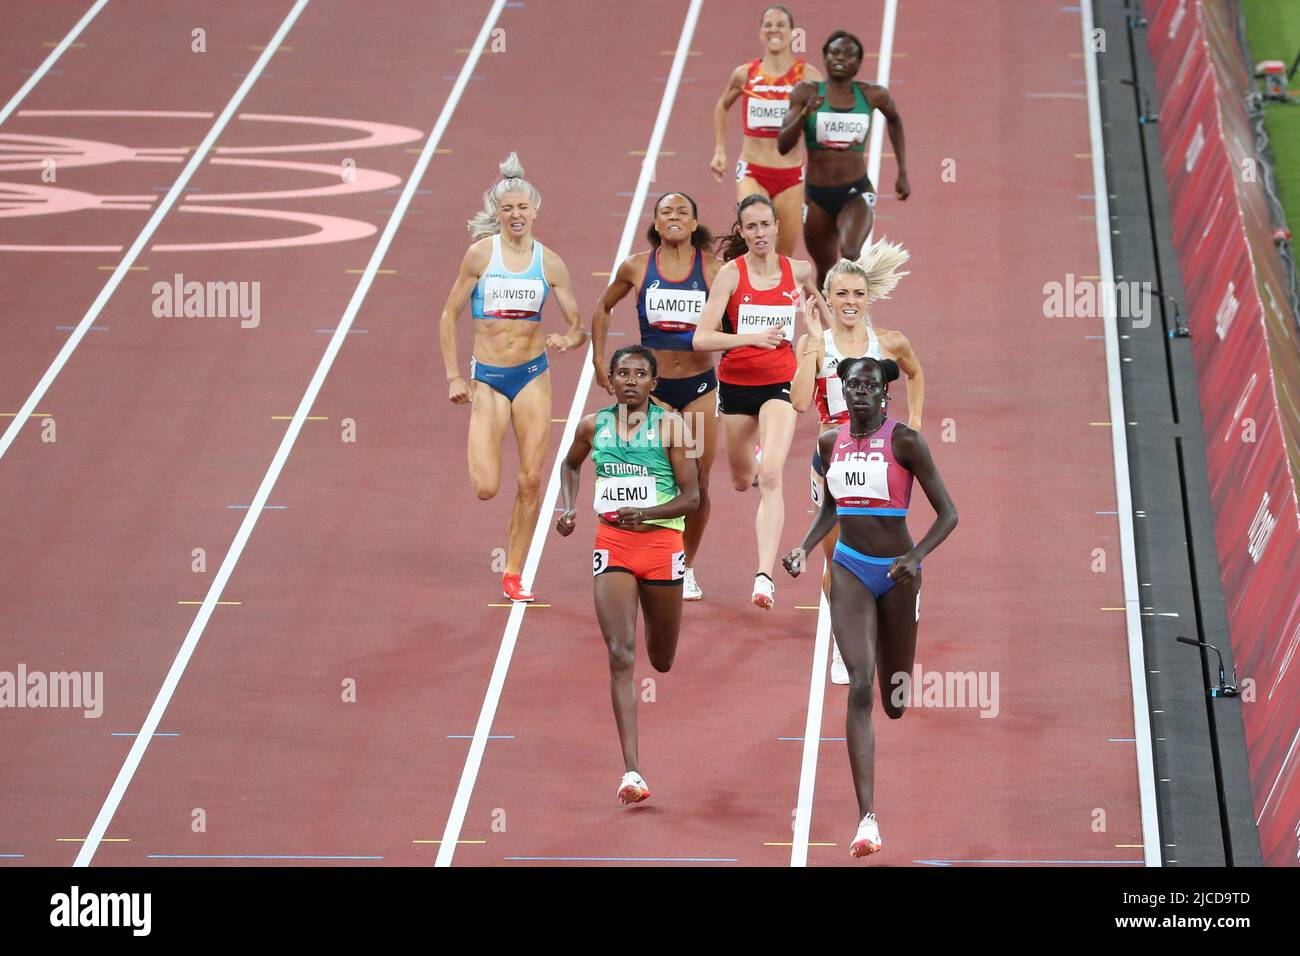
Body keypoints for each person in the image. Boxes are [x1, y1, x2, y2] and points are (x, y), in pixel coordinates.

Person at [782, 357, 956, 857]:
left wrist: (915, 556)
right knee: (858, 683)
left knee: (894, 703)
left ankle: (894, 687)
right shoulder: (827, 443)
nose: (861, 392)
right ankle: (867, 819)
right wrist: (805, 546)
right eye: (853, 384)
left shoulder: (906, 442)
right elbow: (830, 507)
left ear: (884, 393)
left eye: (871, 385)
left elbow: (949, 513)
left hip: (899, 575)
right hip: (850, 569)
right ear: (842, 390)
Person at [557, 345, 701, 805]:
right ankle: (631, 771)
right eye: (623, 373)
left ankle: (634, 763)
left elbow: (692, 497)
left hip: (661, 546)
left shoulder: (674, 427)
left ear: (654, 384)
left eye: (641, 374)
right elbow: (569, 465)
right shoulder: (591, 426)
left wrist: (649, 513)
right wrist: (569, 507)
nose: (631, 380)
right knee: (620, 654)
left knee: (660, 660)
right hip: (613, 544)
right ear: (611, 381)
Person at [439, 153, 586, 602]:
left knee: (529, 480)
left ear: (535, 211)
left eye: (523, 207)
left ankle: (515, 571)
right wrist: (453, 377)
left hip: (532, 377)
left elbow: (578, 325)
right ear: (498, 214)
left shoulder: (550, 263)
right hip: (487, 379)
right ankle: (482, 428)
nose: (516, 215)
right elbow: (449, 315)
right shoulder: (481, 256)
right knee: (486, 487)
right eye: (508, 209)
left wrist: (568, 339)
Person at [790, 240, 923, 683]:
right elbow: (796, 402)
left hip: (883, 459)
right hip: (833, 457)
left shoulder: (888, 342)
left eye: (857, 294)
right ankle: (842, 640)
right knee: (837, 558)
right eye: (841, 294)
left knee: (886, 538)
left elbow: (915, 372)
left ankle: (903, 596)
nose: (849, 302)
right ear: (827, 298)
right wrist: (810, 343)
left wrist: (916, 423)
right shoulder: (817, 342)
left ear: (868, 298)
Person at [692, 193, 828, 609]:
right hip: (735, 387)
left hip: (779, 385)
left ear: (776, 226)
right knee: (740, 479)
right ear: (742, 232)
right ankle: (752, 456)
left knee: (771, 476)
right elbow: (701, 337)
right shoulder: (731, 276)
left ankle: (764, 577)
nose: (759, 233)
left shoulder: (798, 271)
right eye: (750, 227)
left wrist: (824, 330)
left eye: (765, 224)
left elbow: (825, 313)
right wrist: (750, 337)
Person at [591, 192, 722, 601]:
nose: (674, 216)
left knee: (698, 478)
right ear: (656, 223)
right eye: (666, 211)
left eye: (683, 210)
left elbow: (736, 324)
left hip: (698, 389)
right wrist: (598, 361)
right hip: (653, 392)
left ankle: (686, 564)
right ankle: (635, 553)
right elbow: (602, 307)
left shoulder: (715, 270)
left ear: (696, 224)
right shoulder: (636, 267)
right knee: (647, 473)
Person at [777, 30, 910, 288]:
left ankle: (855, 318)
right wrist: (806, 113)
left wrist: (902, 171)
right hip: (816, 197)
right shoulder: (805, 92)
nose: (841, 58)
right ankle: (829, 325)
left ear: (859, 63)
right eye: (835, 52)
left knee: (850, 255)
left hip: (855, 191)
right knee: (825, 271)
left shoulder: (872, 95)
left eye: (850, 55)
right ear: (825, 56)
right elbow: (783, 144)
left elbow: (894, 119)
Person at [709, 4, 821, 257]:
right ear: (760, 32)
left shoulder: (807, 75)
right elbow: (722, 105)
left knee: (782, 256)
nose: (774, 30)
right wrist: (719, 150)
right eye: (768, 25)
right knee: (752, 240)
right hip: (752, 170)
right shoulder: (745, 74)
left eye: (781, 25)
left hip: (790, 176)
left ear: (793, 33)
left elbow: (818, 123)